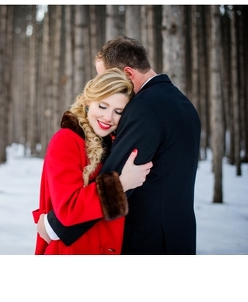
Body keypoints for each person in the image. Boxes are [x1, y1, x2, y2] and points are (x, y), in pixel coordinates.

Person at [43, 36, 202, 254]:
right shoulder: (183, 104)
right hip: (178, 235)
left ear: (127, 73)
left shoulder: (145, 107)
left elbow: (117, 173)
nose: (103, 85)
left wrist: (55, 227)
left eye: (105, 76)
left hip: (148, 240)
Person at [32, 68, 152, 254]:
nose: (107, 117)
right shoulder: (67, 140)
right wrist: (121, 184)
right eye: (102, 106)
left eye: (118, 111)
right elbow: (68, 210)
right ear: (89, 101)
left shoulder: (114, 144)